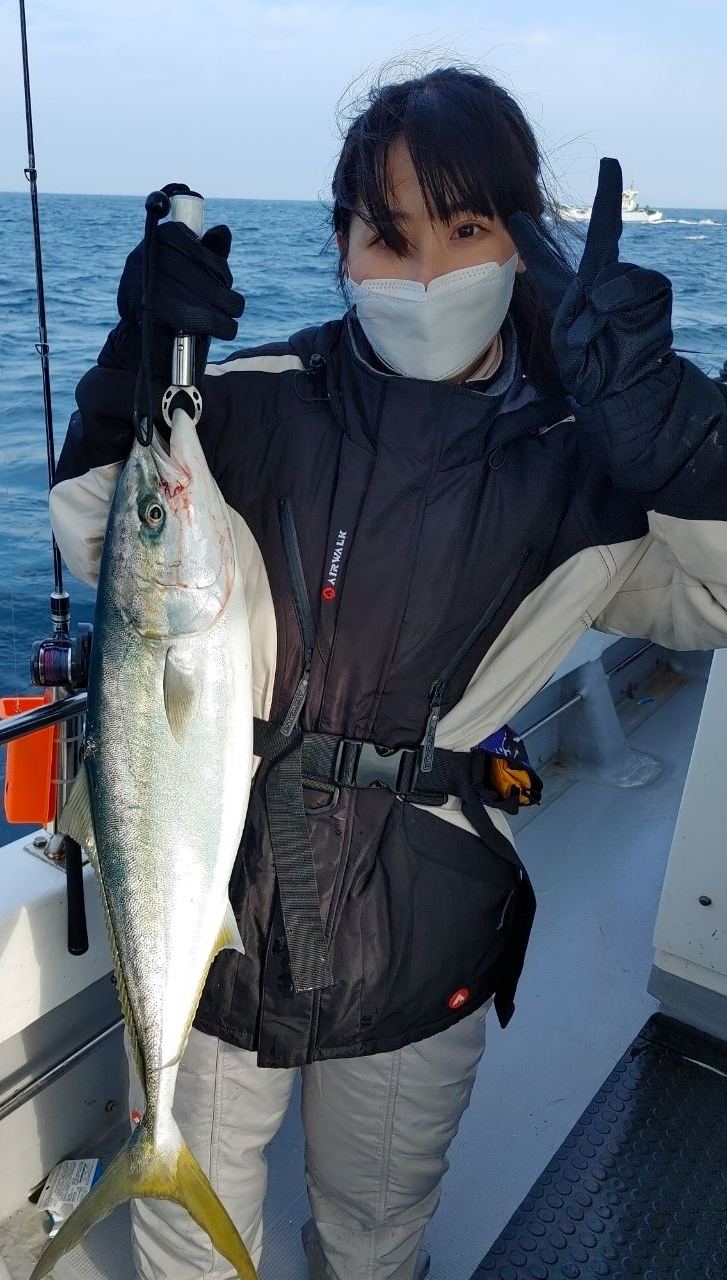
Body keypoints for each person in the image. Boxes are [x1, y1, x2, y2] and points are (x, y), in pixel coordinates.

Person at [49, 66, 727, 1280]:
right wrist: (131, 380)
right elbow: (118, 547)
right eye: (389, 235)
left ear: (526, 243)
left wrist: (688, 445)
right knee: (188, 1242)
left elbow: (715, 597)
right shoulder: (249, 404)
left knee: (375, 1235)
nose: (424, 274)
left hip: (425, 926)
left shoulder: (589, 459)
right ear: (343, 247)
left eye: (465, 230)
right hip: (221, 901)